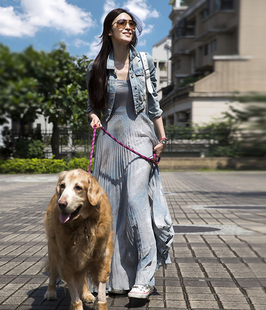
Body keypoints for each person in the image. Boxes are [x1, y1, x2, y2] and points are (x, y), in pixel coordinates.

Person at [86, 8, 174, 299]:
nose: (128, 26)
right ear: (109, 31)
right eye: (121, 22)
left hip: (140, 137)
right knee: (109, 209)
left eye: (131, 22)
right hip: (110, 142)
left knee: (137, 202)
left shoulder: (145, 61)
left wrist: (161, 138)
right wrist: (93, 117)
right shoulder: (97, 66)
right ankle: (111, 278)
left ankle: (145, 277)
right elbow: (92, 105)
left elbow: (153, 105)